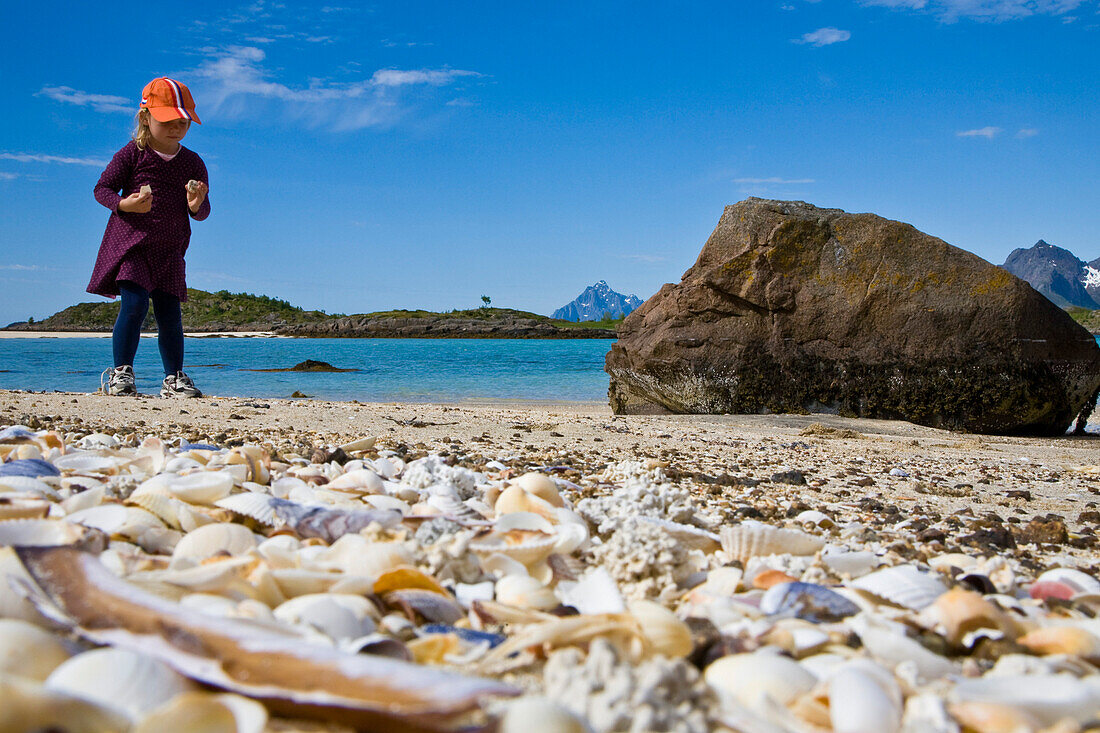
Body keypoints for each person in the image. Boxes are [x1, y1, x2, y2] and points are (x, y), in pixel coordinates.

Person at [87, 77, 210, 397]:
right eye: (168, 120)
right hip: (132, 246)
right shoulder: (132, 154)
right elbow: (102, 189)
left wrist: (196, 205)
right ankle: (120, 374)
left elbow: (202, 210)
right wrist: (123, 204)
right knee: (135, 304)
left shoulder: (193, 162)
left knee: (170, 314)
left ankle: (174, 379)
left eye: (183, 121)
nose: (177, 127)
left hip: (170, 251)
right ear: (145, 118)